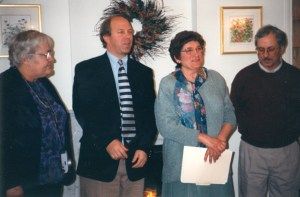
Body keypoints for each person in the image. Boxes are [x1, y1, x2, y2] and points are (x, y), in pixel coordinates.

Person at [72, 14, 157, 197]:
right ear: (106, 37)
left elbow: (150, 116)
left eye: (130, 32)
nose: (128, 37)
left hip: (136, 163)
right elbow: (83, 112)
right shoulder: (87, 69)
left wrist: (144, 147)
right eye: (121, 32)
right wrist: (107, 140)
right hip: (99, 162)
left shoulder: (143, 73)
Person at [155, 30, 236, 197]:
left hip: (216, 158)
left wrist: (219, 141)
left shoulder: (216, 79)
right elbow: (166, 126)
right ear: (177, 58)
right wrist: (204, 138)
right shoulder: (168, 84)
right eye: (189, 50)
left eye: (199, 49)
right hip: (181, 163)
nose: (196, 54)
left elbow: (230, 114)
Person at [0, 30, 76, 197]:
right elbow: (4, 140)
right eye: (47, 54)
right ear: (26, 58)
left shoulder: (43, 83)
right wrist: (11, 183)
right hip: (26, 183)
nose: (52, 59)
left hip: (53, 178)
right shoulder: (6, 86)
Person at [230, 25, 300, 197]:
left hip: (287, 151)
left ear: (282, 48)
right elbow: (232, 112)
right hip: (252, 151)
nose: (265, 55)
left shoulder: (295, 77)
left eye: (270, 49)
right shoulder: (243, 77)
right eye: (260, 50)